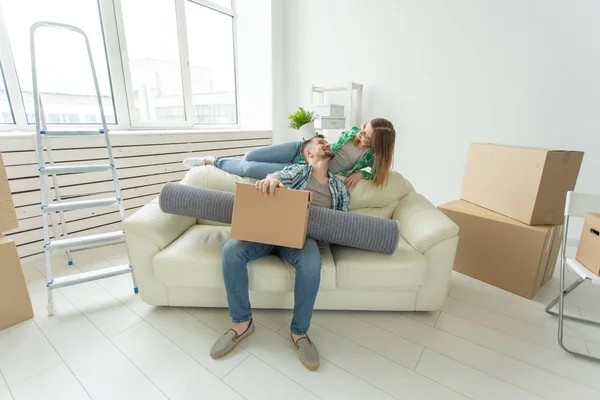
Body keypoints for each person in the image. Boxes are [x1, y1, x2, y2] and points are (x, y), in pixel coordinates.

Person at [210, 135, 350, 371]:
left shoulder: (340, 188)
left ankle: (299, 332)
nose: (327, 144)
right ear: (308, 154)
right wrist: (271, 181)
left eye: (327, 142)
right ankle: (242, 323)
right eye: (320, 143)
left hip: (302, 240)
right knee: (231, 250)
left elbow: (343, 224)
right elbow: (276, 177)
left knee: (311, 263)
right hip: (267, 231)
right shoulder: (297, 171)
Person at [183, 117, 396, 189]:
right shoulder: (350, 131)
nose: (360, 133)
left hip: (304, 167)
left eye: (366, 135)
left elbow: (379, 175)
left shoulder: (370, 158)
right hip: (302, 149)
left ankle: (210, 161)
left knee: (247, 168)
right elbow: (328, 146)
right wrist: (314, 137)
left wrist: (361, 174)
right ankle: (220, 162)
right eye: (363, 127)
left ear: (377, 143)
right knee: (249, 155)